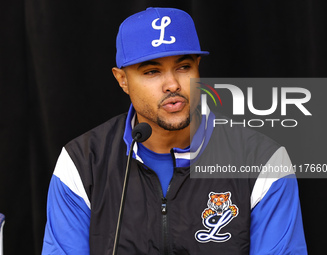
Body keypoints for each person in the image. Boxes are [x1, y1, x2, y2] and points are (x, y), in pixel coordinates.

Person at [42, 7, 307, 255]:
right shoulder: (81, 163)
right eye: (152, 71)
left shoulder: (263, 160)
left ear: (197, 68)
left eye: (183, 67)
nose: (172, 84)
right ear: (122, 80)